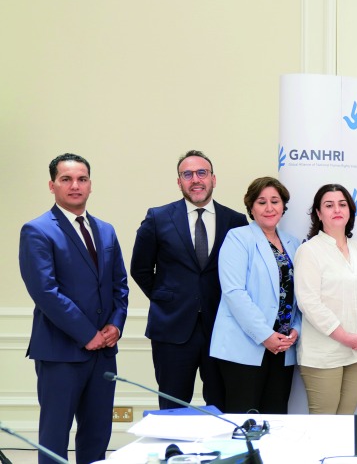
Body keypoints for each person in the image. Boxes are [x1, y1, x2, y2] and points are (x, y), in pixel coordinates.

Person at [19, 153, 128, 464]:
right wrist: (86, 334)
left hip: (104, 352)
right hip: (60, 352)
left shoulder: (105, 230)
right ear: (52, 185)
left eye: (81, 179)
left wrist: (115, 327)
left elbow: (120, 286)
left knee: (97, 435)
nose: (75, 185)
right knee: (54, 438)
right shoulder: (37, 230)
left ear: (90, 185)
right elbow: (45, 291)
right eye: (66, 179)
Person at [130, 150, 248, 410]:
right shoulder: (158, 217)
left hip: (221, 328)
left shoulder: (236, 221)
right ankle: (174, 452)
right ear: (179, 181)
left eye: (201, 173)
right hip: (171, 329)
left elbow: (242, 274)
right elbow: (139, 269)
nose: (195, 179)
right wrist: (166, 298)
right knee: (173, 403)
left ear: (213, 179)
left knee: (221, 403)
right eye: (188, 174)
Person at [210, 177, 302, 414]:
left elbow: (297, 293)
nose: (269, 208)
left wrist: (296, 329)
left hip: (282, 348)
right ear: (251, 207)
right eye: (262, 202)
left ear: (283, 206)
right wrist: (265, 335)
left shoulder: (293, 243)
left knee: (277, 419)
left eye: (275, 201)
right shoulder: (238, 238)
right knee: (244, 420)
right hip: (245, 347)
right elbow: (234, 292)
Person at [294, 184, 357, 414]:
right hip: (324, 352)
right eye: (329, 205)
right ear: (319, 214)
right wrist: (345, 337)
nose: (336, 209)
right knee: (324, 425)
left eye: (342, 204)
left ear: (350, 210)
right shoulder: (309, 251)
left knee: (346, 421)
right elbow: (308, 302)